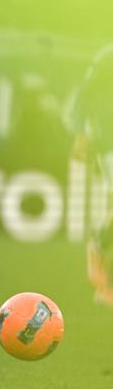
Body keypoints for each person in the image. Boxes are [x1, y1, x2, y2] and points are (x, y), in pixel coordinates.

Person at [69, 44, 113, 305]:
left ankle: (100, 245)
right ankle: (99, 251)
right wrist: (81, 133)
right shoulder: (108, 56)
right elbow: (83, 96)